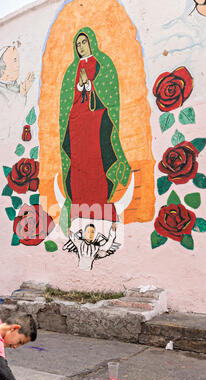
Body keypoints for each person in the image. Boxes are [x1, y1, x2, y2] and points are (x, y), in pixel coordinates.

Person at [59, 27, 131, 233]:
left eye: (84, 42)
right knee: (78, 162)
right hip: (76, 121)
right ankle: (79, 204)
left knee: (95, 159)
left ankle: (100, 203)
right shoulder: (71, 70)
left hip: (95, 119)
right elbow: (67, 99)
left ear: (91, 43)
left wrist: (89, 85)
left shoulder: (103, 64)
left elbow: (109, 93)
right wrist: (80, 87)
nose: (81, 47)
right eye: (78, 44)